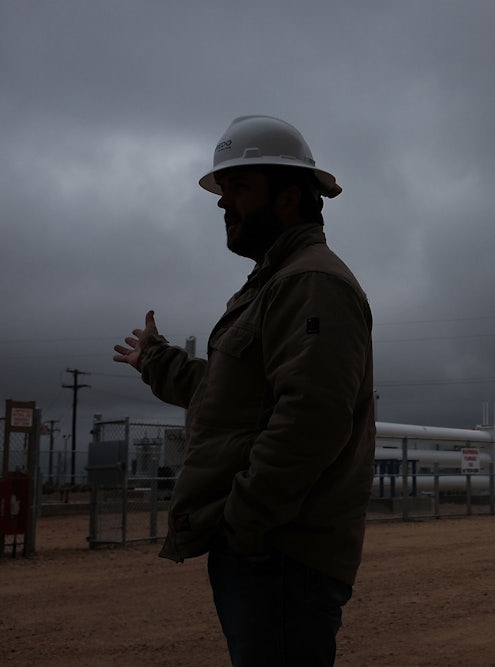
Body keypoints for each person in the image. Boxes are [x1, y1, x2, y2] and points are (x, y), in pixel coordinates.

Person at [113, 115, 376, 666]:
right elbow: (234, 394)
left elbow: (310, 419)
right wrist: (158, 361)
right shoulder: (275, 283)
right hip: (266, 550)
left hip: (282, 552)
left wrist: (244, 522)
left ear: (287, 198)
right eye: (222, 188)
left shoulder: (311, 283)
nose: (221, 203)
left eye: (237, 187)